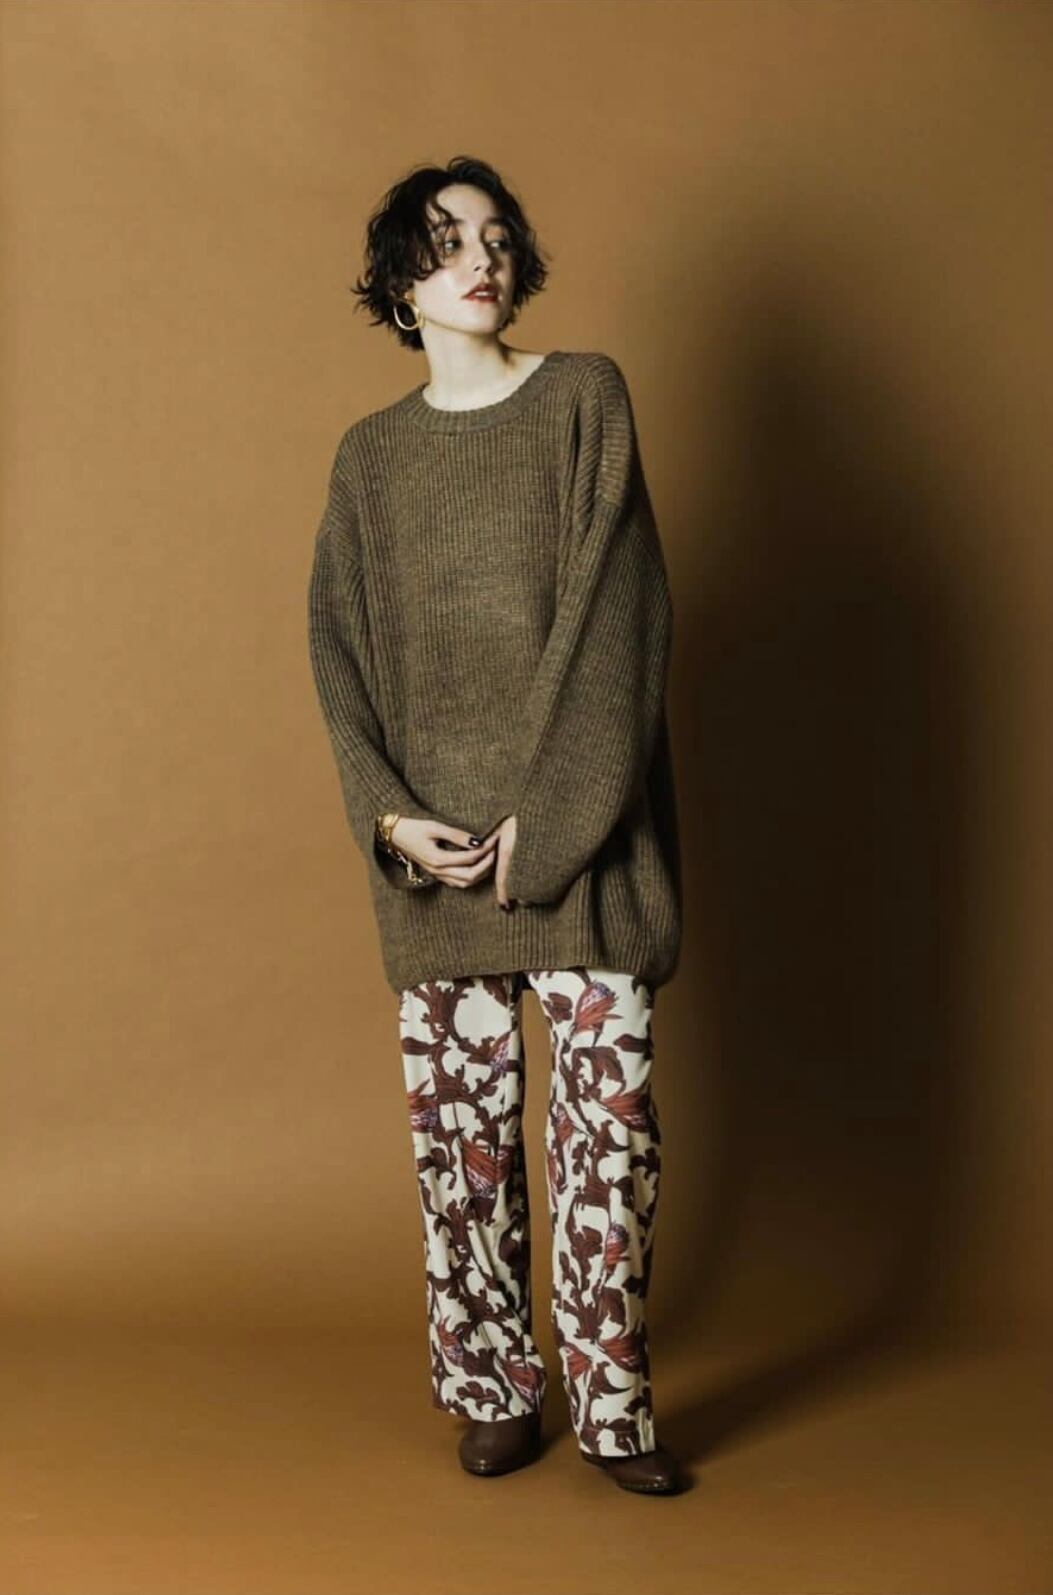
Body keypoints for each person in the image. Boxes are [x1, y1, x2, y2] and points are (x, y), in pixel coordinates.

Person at [307, 155, 685, 1495]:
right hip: (440, 861)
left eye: (496, 237)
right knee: (459, 1153)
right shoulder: (369, 460)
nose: (481, 258)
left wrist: (558, 820)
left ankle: (615, 1408)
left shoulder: (583, 398)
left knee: (606, 1146)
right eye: (445, 241)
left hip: (584, 846)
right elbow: (338, 658)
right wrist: (392, 822)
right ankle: (493, 1388)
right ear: (399, 286)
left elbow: (624, 616)